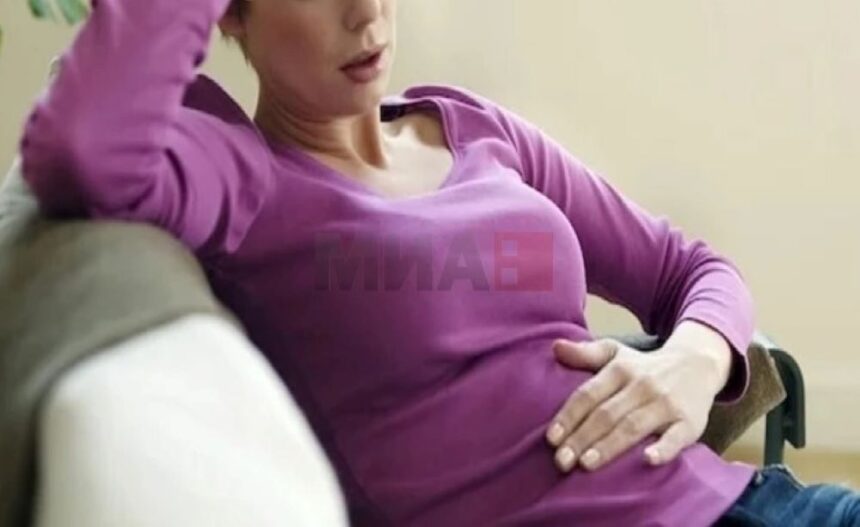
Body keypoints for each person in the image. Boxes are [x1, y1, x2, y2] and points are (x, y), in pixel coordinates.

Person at [18, 0, 860, 525]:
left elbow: (691, 267)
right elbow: (82, 150)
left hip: (748, 504)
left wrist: (695, 359)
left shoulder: (472, 128)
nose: (367, 14)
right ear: (230, 14)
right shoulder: (239, 175)